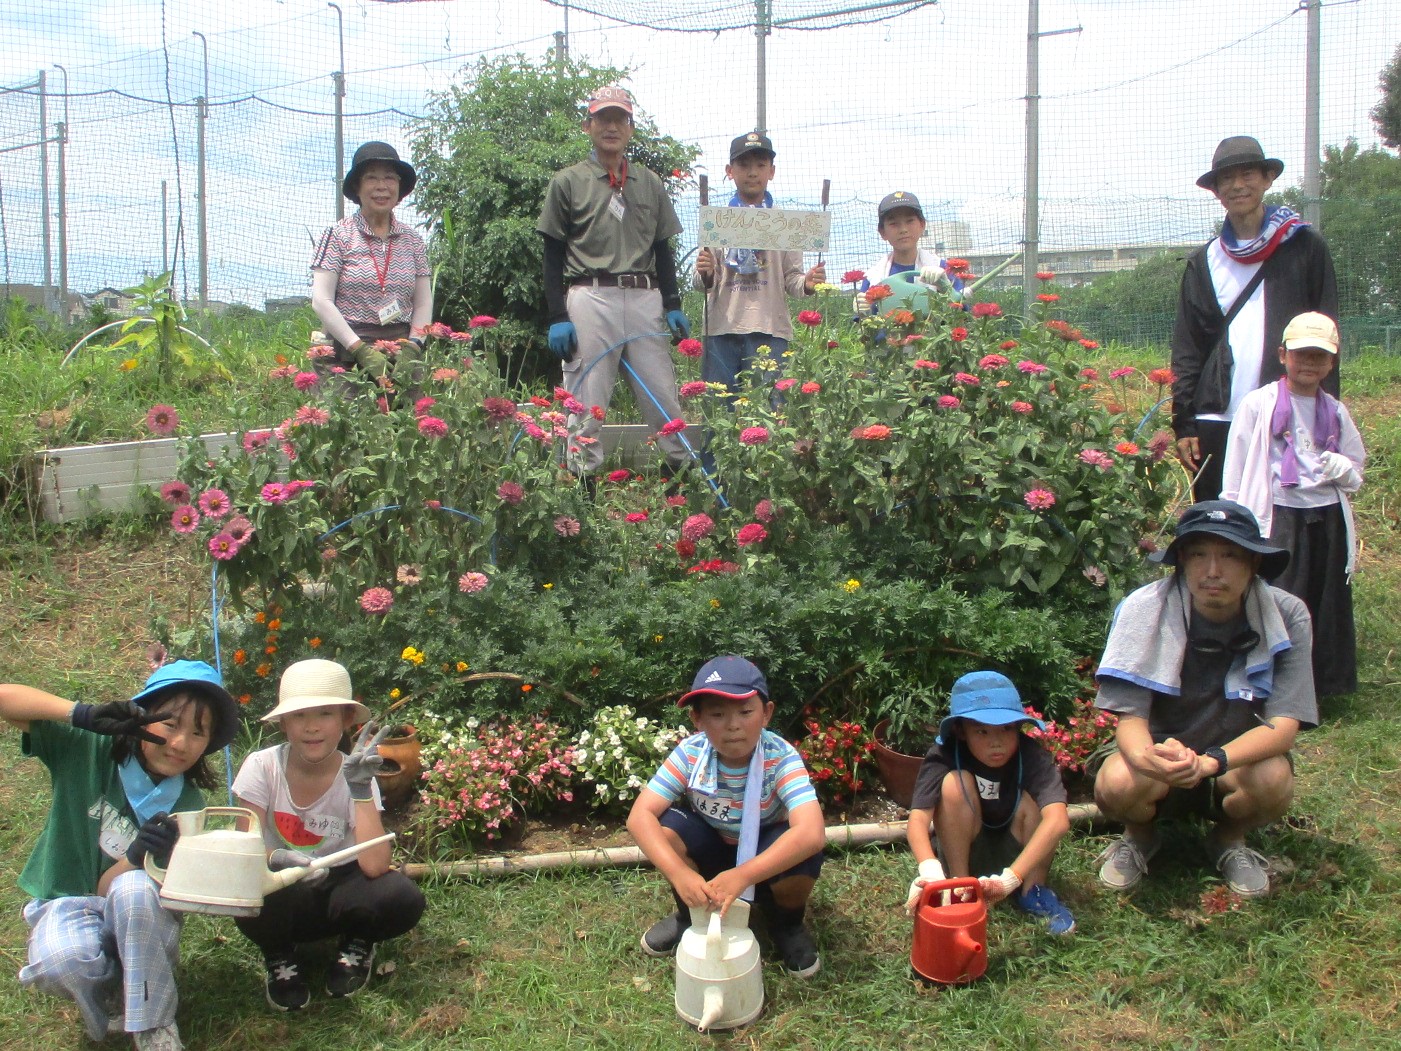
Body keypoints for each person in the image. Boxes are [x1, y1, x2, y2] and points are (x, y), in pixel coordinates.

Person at [1, 659, 239, 1051]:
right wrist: (82, 714)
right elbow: (6, 699)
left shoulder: (188, 807)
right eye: (169, 724)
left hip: (141, 916)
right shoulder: (87, 748)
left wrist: (136, 857)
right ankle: (117, 991)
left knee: (133, 887)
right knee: (60, 961)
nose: (181, 743)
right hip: (67, 903)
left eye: (198, 733)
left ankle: (154, 1026)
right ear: (141, 717)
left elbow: (123, 889)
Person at [1093, 500, 1319, 898]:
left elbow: (1283, 730)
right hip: (1161, 760)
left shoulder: (1288, 616)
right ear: (1181, 561)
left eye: (1229, 556)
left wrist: (1211, 761)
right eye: (1199, 555)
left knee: (1273, 780)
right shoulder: (1143, 610)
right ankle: (1140, 836)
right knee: (1116, 781)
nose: (1212, 571)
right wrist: (1151, 759)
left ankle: (1229, 840)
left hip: (1233, 761)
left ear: (1253, 563)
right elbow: (1130, 721)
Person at [232, 659, 425, 1012]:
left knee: (401, 896)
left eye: (324, 714)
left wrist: (361, 790)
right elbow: (244, 848)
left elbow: (375, 865)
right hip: (283, 886)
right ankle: (278, 953)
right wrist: (276, 859)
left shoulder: (356, 772)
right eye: (299, 716)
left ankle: (358, 940)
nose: (311, 728)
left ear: (344, 720)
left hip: (340, 885)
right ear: (283, 723)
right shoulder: (262, 767)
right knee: (247, 894)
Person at [626, 655, 826, 977]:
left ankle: (786, 923)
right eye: (717, 714)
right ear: (698, 719)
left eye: (746, 712)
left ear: (766, 713)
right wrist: (679, 874)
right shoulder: (692, 753)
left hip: (764, 862)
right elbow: (639, 816)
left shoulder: (781, 757)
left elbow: (812, 832)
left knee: (804, 852)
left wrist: (745, 874)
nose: (733, 725)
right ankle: (689, 914)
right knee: (666, 828)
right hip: (713, 857)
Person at [1170, 136, 1339, 502]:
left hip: (1288, 414)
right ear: (1216, 191)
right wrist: (1184, 422)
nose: (1237, 185)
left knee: (1282, 528)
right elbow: (1188, 347)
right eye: (1225, 179)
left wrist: (1328, 416)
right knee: (1220, 527)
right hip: (1217, 420)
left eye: (1248, 174)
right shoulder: (1205, 262)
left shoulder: (1305, 248)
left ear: (1267, 179)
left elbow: (1327, 336)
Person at [537, 85, 692, 478]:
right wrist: (557, 313)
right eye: (602, 118)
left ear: (630, 128)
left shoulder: (649, 182)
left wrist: (673, 303)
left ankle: (679, 487)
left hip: (644, 297)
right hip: (590, 297)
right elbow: (552, 252)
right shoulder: (568, 181)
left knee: (662, 399)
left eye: (619, 118)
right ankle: (581, 500)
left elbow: (663, 247)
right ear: (588, 125)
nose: (610, 126)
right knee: (585, 403)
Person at [1221, 312, 1365, 697]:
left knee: (1327, 597)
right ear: (1283, 355)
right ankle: (1275, 686)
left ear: (1331, 363)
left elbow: (1356, 474)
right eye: (1302, 354)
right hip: (1279, 514)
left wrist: (1343, 468)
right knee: (1281, 597)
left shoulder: (1335, 410)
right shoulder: (1258, 404)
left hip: (1326, 514)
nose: (1310, 364)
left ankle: (1324, 687)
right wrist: (1234, 521)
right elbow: (1235, 468)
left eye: (1320, 356)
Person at [904, 671, 1076, 936]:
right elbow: (917, 819)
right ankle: (960, 889)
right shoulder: (944, 754)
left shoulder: (1031, 755)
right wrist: (929, 867)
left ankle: (1033, 889)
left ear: (1018, 727)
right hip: (966, 845)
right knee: (953, 784)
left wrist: (1011, 878)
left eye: (1006, 729)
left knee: (1042, 801)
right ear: (961, 731)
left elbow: (1058, 820)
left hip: (1017, 853)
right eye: (982, 731)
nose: (996, 742)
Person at [694, 131, 825, 398]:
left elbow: (793, 280)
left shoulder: (786, 225)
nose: (752, 172)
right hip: (721, 328)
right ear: (730, 171)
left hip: (771, 330)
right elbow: (703, 282)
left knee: (770, 412)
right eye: (743, 165)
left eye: (760, 165)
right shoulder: (718, 221)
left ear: (772, 171)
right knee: (718, 413)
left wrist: (809, 284)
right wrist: (704, 271)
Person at [310, 141, 432, 399]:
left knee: (410, 431)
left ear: (399, 188)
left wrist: (413, 348)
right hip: (346, 354)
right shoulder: (338, 236)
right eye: (372, 178)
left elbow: (423, 304)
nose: (381, 186)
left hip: (401, 355)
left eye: (389, 178)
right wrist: (360, 350)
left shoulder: (413, 241)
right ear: (357, 187)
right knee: (346, 432)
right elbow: (321, 300)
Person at [855, 190, 962, 313]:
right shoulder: (873, 277)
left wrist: (946, 288)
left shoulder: (942, 269)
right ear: (882, 232)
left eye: (910, 221)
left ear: (922, 225)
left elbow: (962, 312)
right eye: (894, 223)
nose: (903, 229)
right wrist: (862, 312)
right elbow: (864, 326)